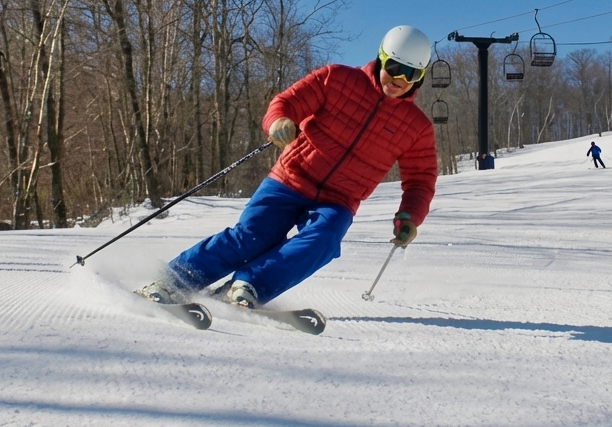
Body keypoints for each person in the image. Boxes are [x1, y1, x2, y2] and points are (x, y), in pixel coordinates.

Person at [140, 25, 439, 308]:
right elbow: (286, 103)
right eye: (394, 67)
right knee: (253, 236)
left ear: (420, 76)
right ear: (380, 59)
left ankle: (249, 286)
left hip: (339, 199)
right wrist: (279, 122)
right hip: (290, 179)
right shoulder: (336, 78)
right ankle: (173, 281)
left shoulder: (417, 128)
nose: (398, 79)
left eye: (410, 74)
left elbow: (420, 180)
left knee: (324, 240)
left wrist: (410, 217)